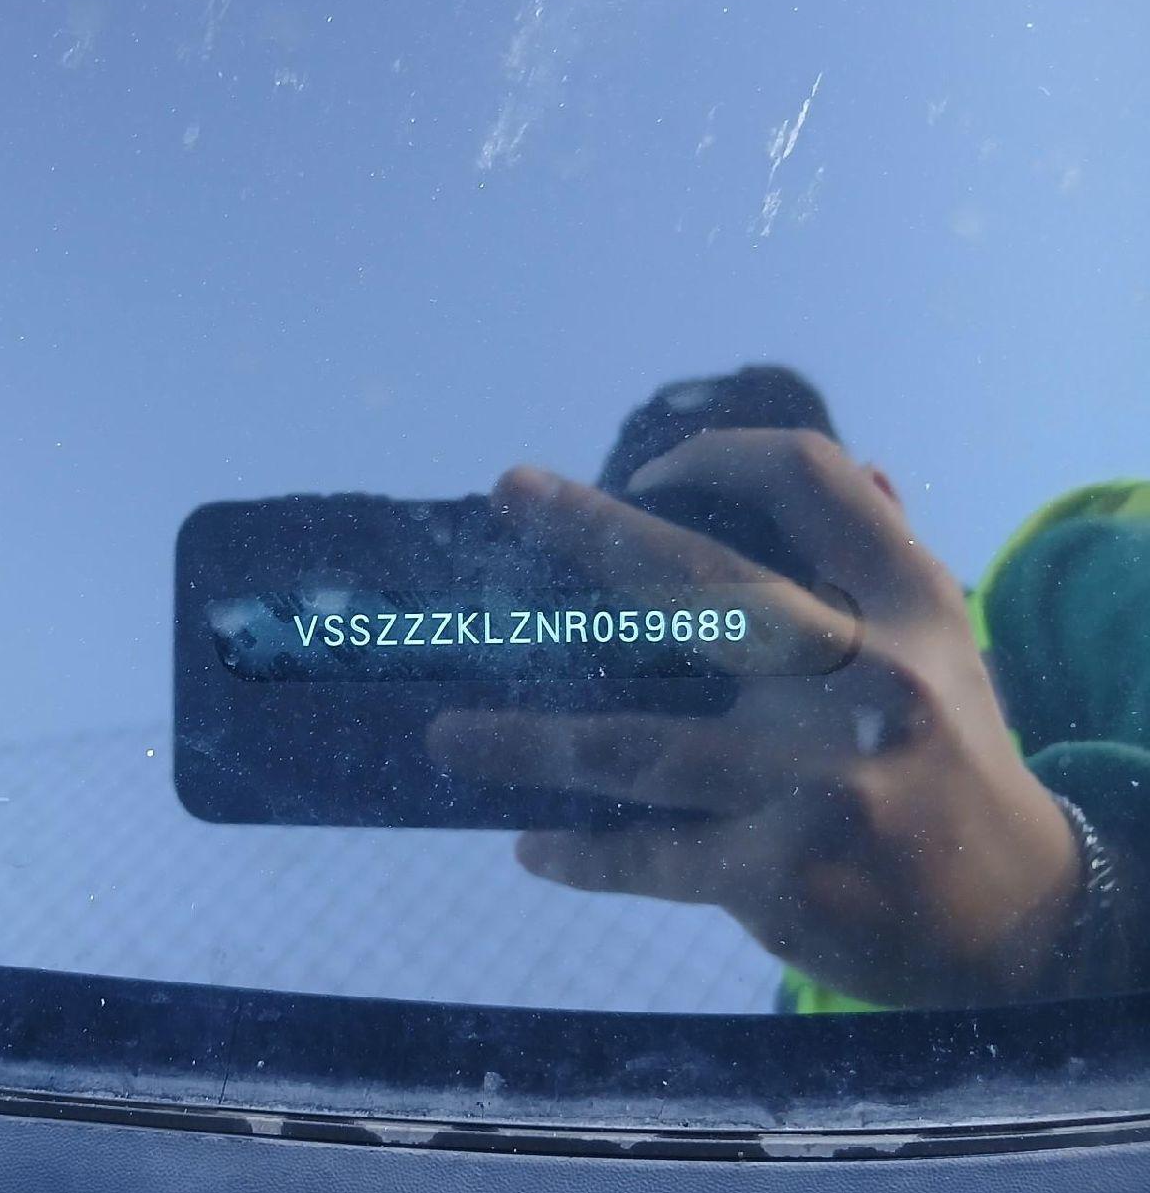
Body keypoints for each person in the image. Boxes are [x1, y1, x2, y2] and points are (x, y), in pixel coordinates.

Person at [427, 367, 1150, 1010]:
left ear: (879, 512)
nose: (724, 606)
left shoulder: (1063, 588)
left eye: (746, 531)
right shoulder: (803, 996)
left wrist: (1065, 918)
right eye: (656, 574)